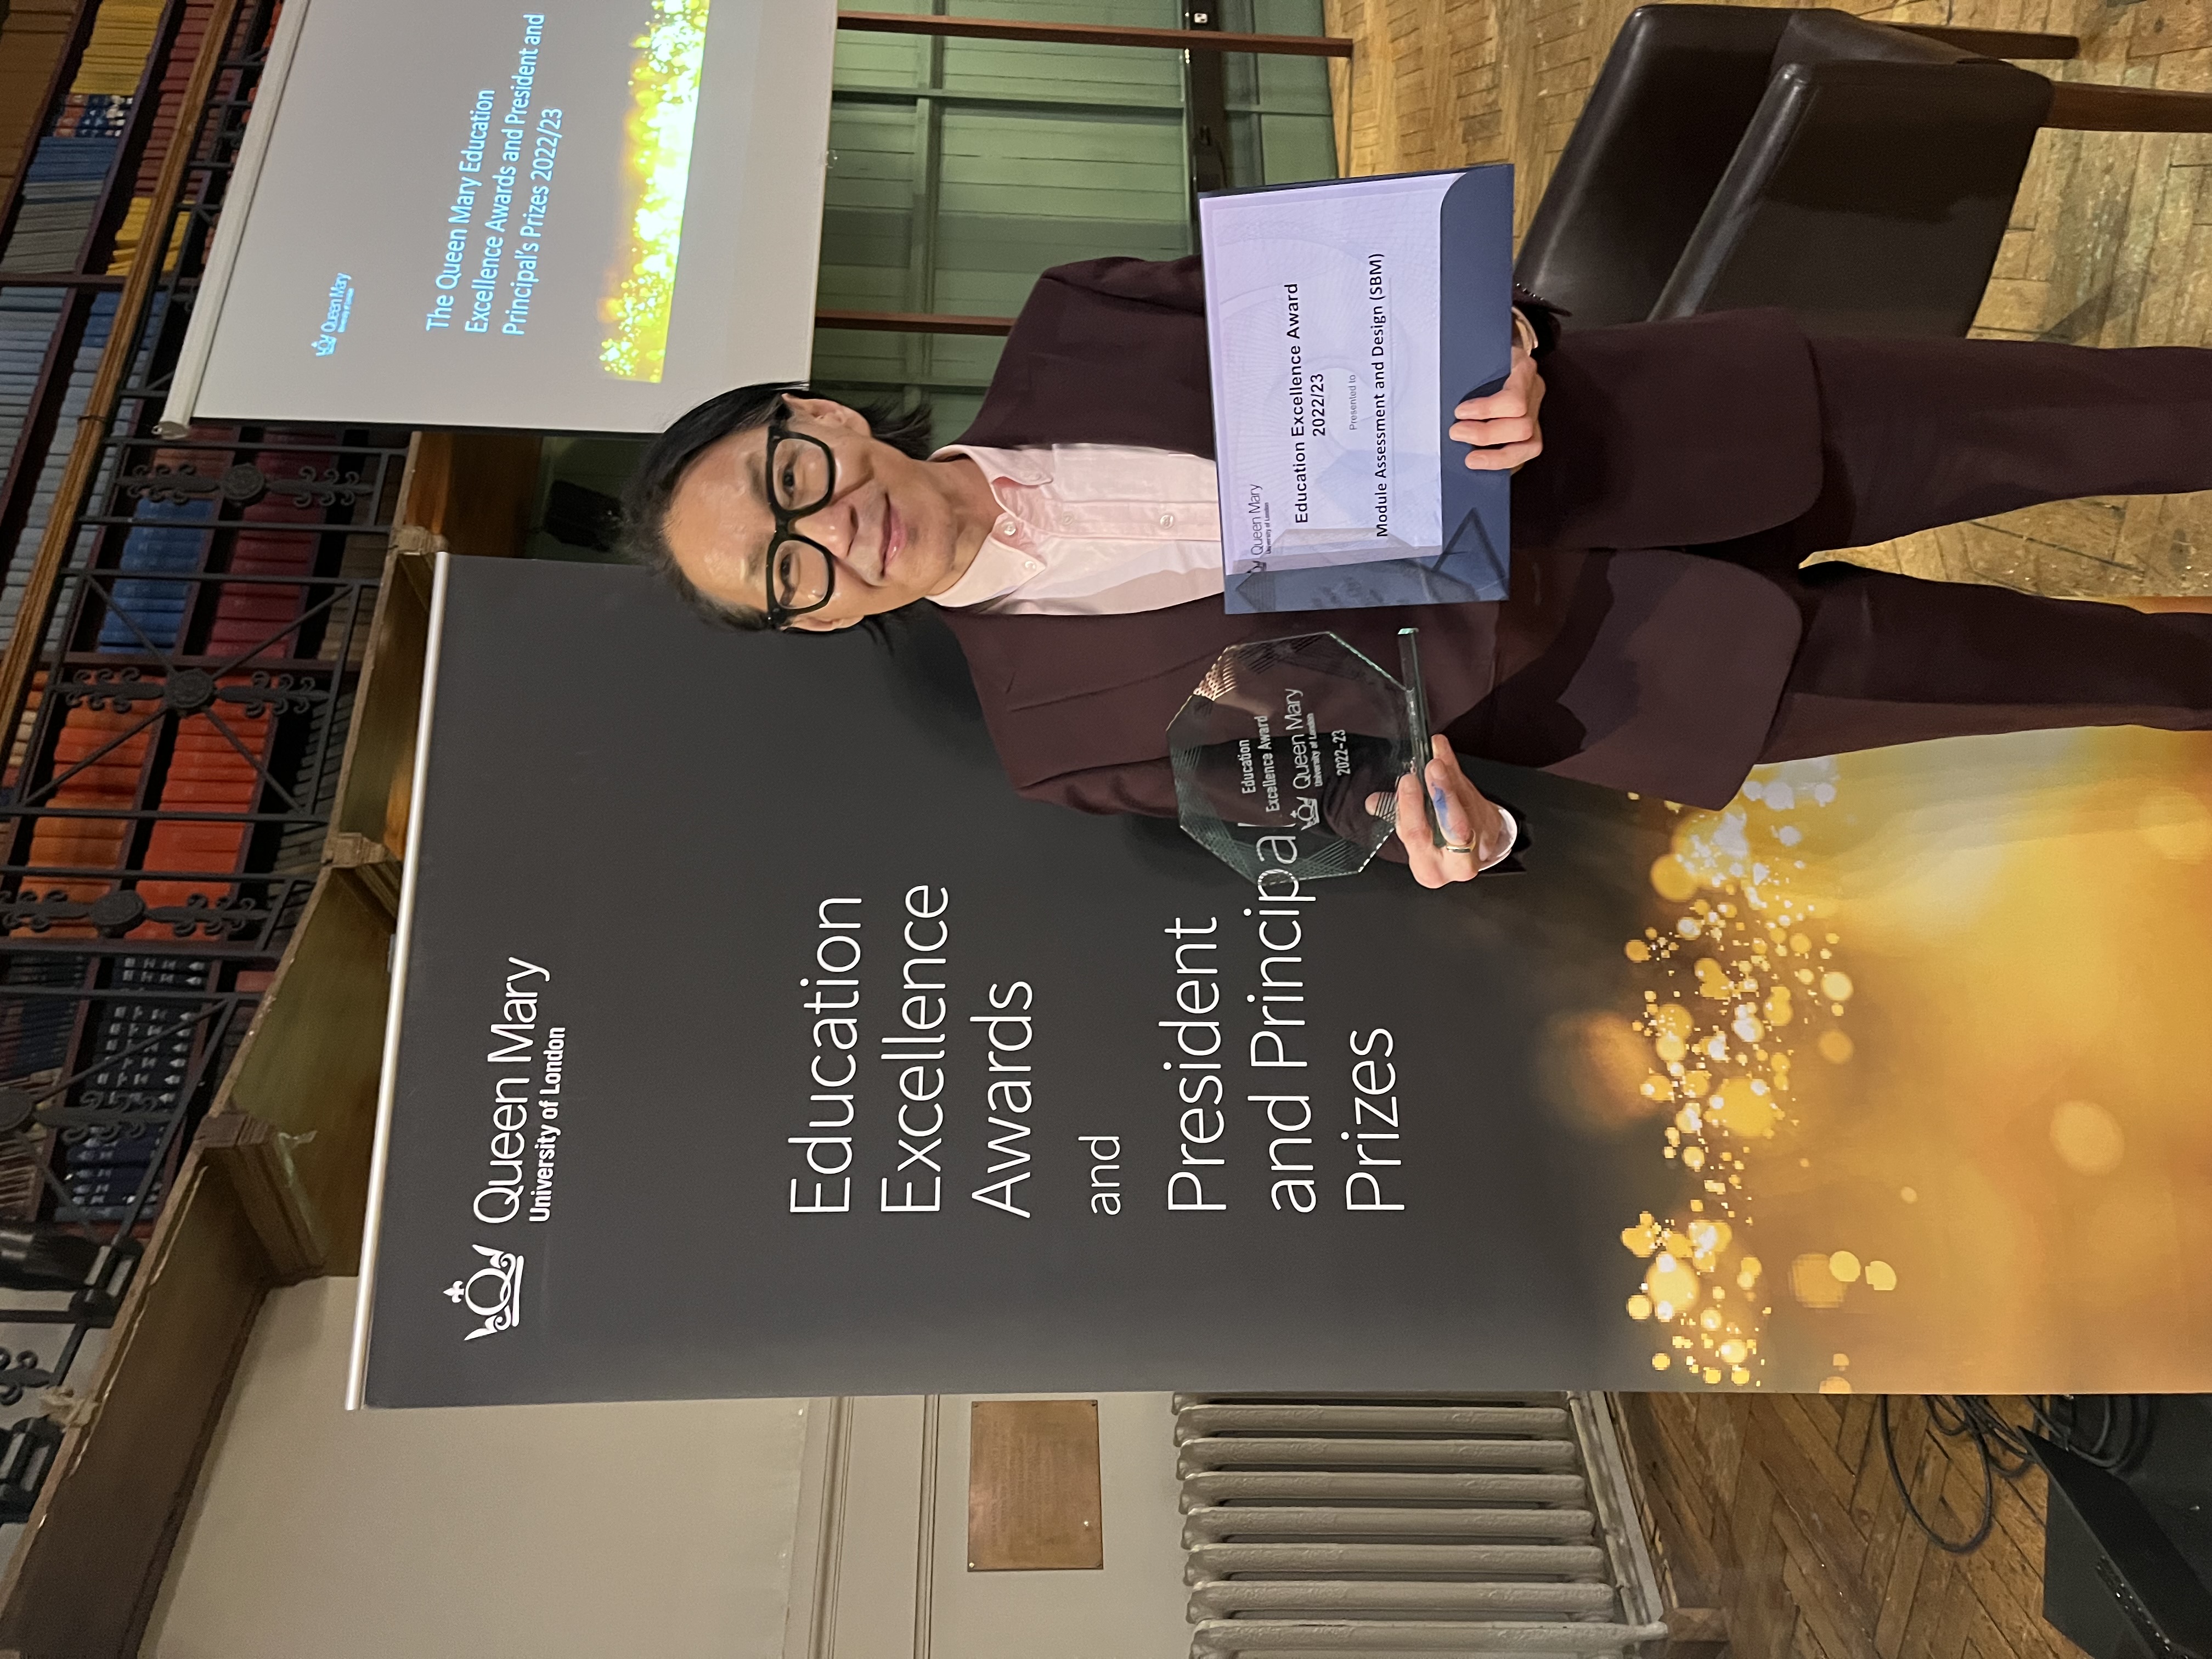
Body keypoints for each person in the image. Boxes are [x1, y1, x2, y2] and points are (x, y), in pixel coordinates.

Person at [622, 256, 2212, 889]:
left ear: (815, 414)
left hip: (1657, 431)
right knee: (2113, 677)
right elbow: (1344, 801)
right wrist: (1461, 835)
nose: (831, 535)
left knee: (2111, 415)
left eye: (792, 482)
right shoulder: (1054, 746)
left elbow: (1377, 282)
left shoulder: (1076, 321)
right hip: (1637, 673)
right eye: (789, 574)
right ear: (810, 621)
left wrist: (1508, 345)